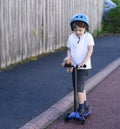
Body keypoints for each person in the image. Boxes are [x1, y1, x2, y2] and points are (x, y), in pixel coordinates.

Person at [63, 13, 95, 120]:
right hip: (75, 66)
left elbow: (90, 49)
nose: (78, 32)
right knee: (79, 87)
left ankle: (80, 110)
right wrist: (69, 59)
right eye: (75, 29)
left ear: (85, 28)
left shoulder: (88, 36)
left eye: (80, 30)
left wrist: (83, 61)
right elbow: (69, 50)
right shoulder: (71, 37)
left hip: (84, 67)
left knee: (79, 90)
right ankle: (85, 106)